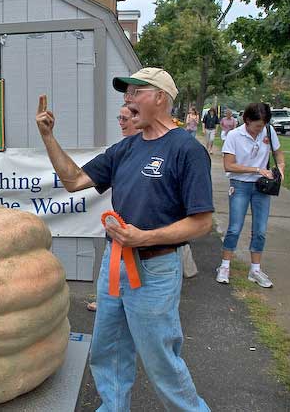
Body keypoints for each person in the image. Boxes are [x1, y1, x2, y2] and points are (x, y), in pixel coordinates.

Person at [37, 67, 213, 411]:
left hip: (156, 269)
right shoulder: (126, 148)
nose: (127, 99)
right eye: (126, 92)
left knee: (160, 359)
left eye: (136, 92)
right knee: (108, 349)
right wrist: (48, 137)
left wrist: (144, 237)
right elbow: (74, 180)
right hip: (114, 265)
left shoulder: (186, 150)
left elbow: (202, 223)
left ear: (160, 98)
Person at [215, 103, 285, 288]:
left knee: (260, 229)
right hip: (240, 185)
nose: (260, 129)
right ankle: (224, 266)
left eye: (263, 125)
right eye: (257, 126)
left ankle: (255, 270)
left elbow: (278, 153)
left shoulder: (268, 131)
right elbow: (229, 165)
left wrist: (281, 169)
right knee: (235, 227)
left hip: (262, 187)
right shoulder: (234, 135)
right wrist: (257, 169)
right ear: (247, 120)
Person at [86, 104, 140, 312]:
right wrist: (49, 138)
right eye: (119, 118)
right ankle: (109, 301)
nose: (121, 122)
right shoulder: (119, 151)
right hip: (119, 242)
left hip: (149, 248)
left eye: (125, 118)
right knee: (112, 297)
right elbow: (74, 180)